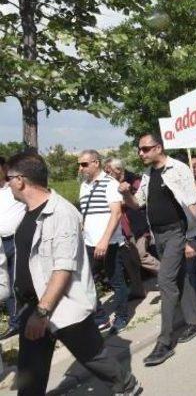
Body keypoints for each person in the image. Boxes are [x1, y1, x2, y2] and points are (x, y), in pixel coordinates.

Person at [6, 152, 141, 395]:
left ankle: (127, 384)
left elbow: (63, 267)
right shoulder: (26, 212)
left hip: (58, 305)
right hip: (33, 305)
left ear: (20, 180)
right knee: (30, 374)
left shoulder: (61, 214)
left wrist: (42, 311)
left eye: (9, 178)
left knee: (93, 357)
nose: (7, 183)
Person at [119, 133, 196, 367]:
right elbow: (137, 204)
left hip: (178, 232)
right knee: (178, 278)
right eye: (139, 149)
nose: (141, 153)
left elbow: (192, 203)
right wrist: (125, 192)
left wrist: (190, 239)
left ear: (158, 147)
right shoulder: (148, 174)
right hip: (159, 235)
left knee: (165, 283)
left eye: (145, 149)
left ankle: (165, 342)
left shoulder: (178, 169)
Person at [77, 150, 131, 334]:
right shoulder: (84, 185)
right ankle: (100, 317)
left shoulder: (110, 183)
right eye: (80, 164)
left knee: (116, 281)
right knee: (86, 281)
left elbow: (116, 213)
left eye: (84, 164)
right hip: (89, 242)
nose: (81, 168)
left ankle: (122, 316)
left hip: (109, 243)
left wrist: (104, 241)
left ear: (96, 163)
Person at [104, 157, 161, 278]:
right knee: (131, 260)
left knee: (141, 256)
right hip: (123, 228)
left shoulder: (134, 181)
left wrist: (121, 200)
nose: (107, 174)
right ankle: (138, 290)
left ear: (118, 170)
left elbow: (141, 200)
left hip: (138, 225)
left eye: (109, 171)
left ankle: (166, 273)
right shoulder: (110, 185)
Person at [0, 156, 25, 339]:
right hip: (1, 243)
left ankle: (24, 319)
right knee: (6, 284)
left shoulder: (15, 187)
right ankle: (15, 322)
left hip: (17, 240)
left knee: (18, 282)